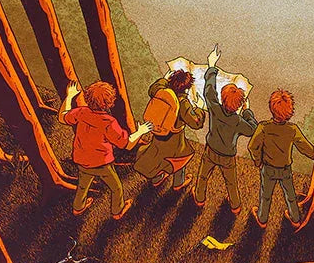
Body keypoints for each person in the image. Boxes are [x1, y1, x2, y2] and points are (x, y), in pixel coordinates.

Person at [59, 81, 152, 219]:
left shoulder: (81, 112)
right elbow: (126, 144)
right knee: (116, 187)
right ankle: (117, 211)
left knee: (83, 186)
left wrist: (70, 96)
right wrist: (141, 132)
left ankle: (78, 208)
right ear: (108, 103)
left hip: (81, 159)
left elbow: (62, 117)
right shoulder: (109, 122)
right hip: (101, 163)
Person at [247, 89, 314, 227]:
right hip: (285, 169)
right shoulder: (292, 129)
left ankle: (262, 219)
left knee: (266, 195)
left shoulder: (263, 127)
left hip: (268, 168)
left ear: (272, 108)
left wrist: (258, 161)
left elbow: (252, 146)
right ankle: (295, 219)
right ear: (289, 111)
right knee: (290, 195)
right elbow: (304, 147)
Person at [194, 45, 257, 214]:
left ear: (222, 98)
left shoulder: (214, 108)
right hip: (228, 156)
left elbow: (209, 91)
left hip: (211, 149)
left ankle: (199, 199)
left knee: (203, 176)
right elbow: (252, 129)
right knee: (231, 183)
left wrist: (212, 65)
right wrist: (247, 111)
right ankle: (235, 206)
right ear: (238, 105)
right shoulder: (238, 120)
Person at [134, 69, 205, 192]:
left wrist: (164, 79)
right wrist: (199, 108)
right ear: (187, 88)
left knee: (156, 156)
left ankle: (157, 179)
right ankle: (179, 183)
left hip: (158, 135)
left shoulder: (161, 92)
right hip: (175, 140)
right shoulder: (183, 103)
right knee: (179, 159)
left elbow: (153, 88)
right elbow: (196, 123)